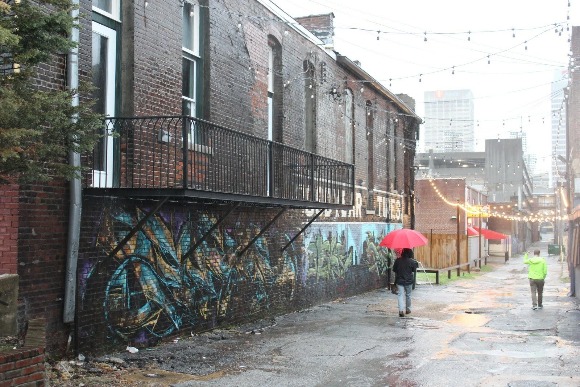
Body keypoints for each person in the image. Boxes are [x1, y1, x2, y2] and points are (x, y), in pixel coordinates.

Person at [392, 248, 418, 317]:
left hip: (399, 280)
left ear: (402, 253)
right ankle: (408, 309)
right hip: (409, 281)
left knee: (400, 295)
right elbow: (414, 270)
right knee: (408, 295)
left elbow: (394, 270)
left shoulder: (397, 260)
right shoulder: (412, 261)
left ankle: (401, 310)